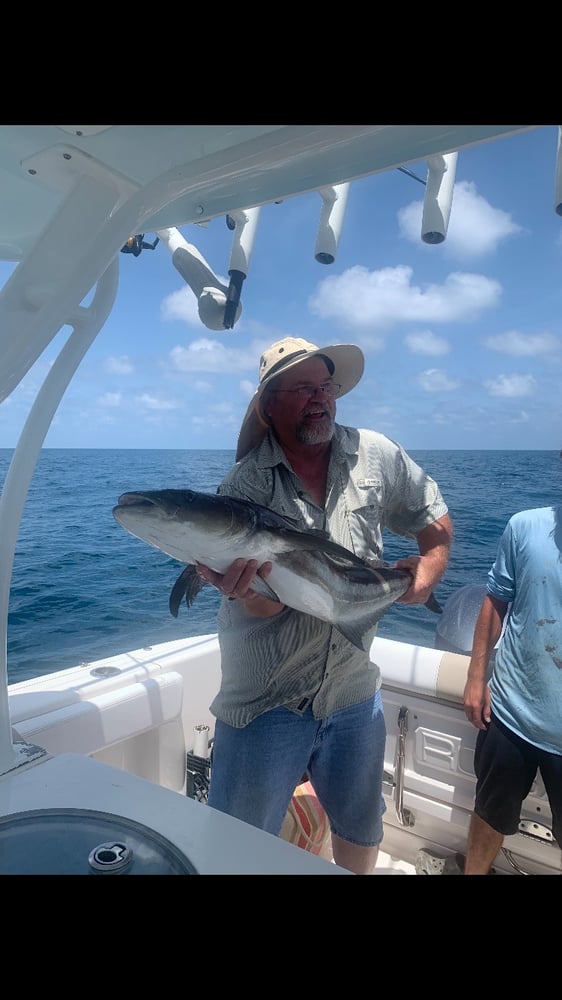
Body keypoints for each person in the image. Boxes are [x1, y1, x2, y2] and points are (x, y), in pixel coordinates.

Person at [196, 336, 453, 874]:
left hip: (354, 692)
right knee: (234, 848)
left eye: (326, 387)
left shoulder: (375, 455)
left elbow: (434, 520)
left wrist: (425, 576)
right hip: (265, 700)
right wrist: (247, 592)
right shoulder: (244, 486)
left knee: (362, 826)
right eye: (302, 389)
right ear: (269, 405)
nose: (320, 399)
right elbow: (264, 613)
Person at [463, 505, 562, 875]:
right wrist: (476, 677)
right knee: (488, 815)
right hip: (509, 711)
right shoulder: (525, 526)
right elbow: (495, 601)